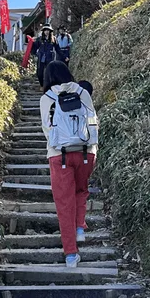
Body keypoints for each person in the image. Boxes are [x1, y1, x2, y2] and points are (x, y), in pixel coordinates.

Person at [40, 61, 99, 267]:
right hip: (85, 153)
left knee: (65, 204)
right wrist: (92, 150)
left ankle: (71, 255)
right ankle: (80, 228)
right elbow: (93, 122)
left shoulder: (47, 98)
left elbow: (48, 131)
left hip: (59, 156)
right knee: (81, 190)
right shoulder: (83, 92)